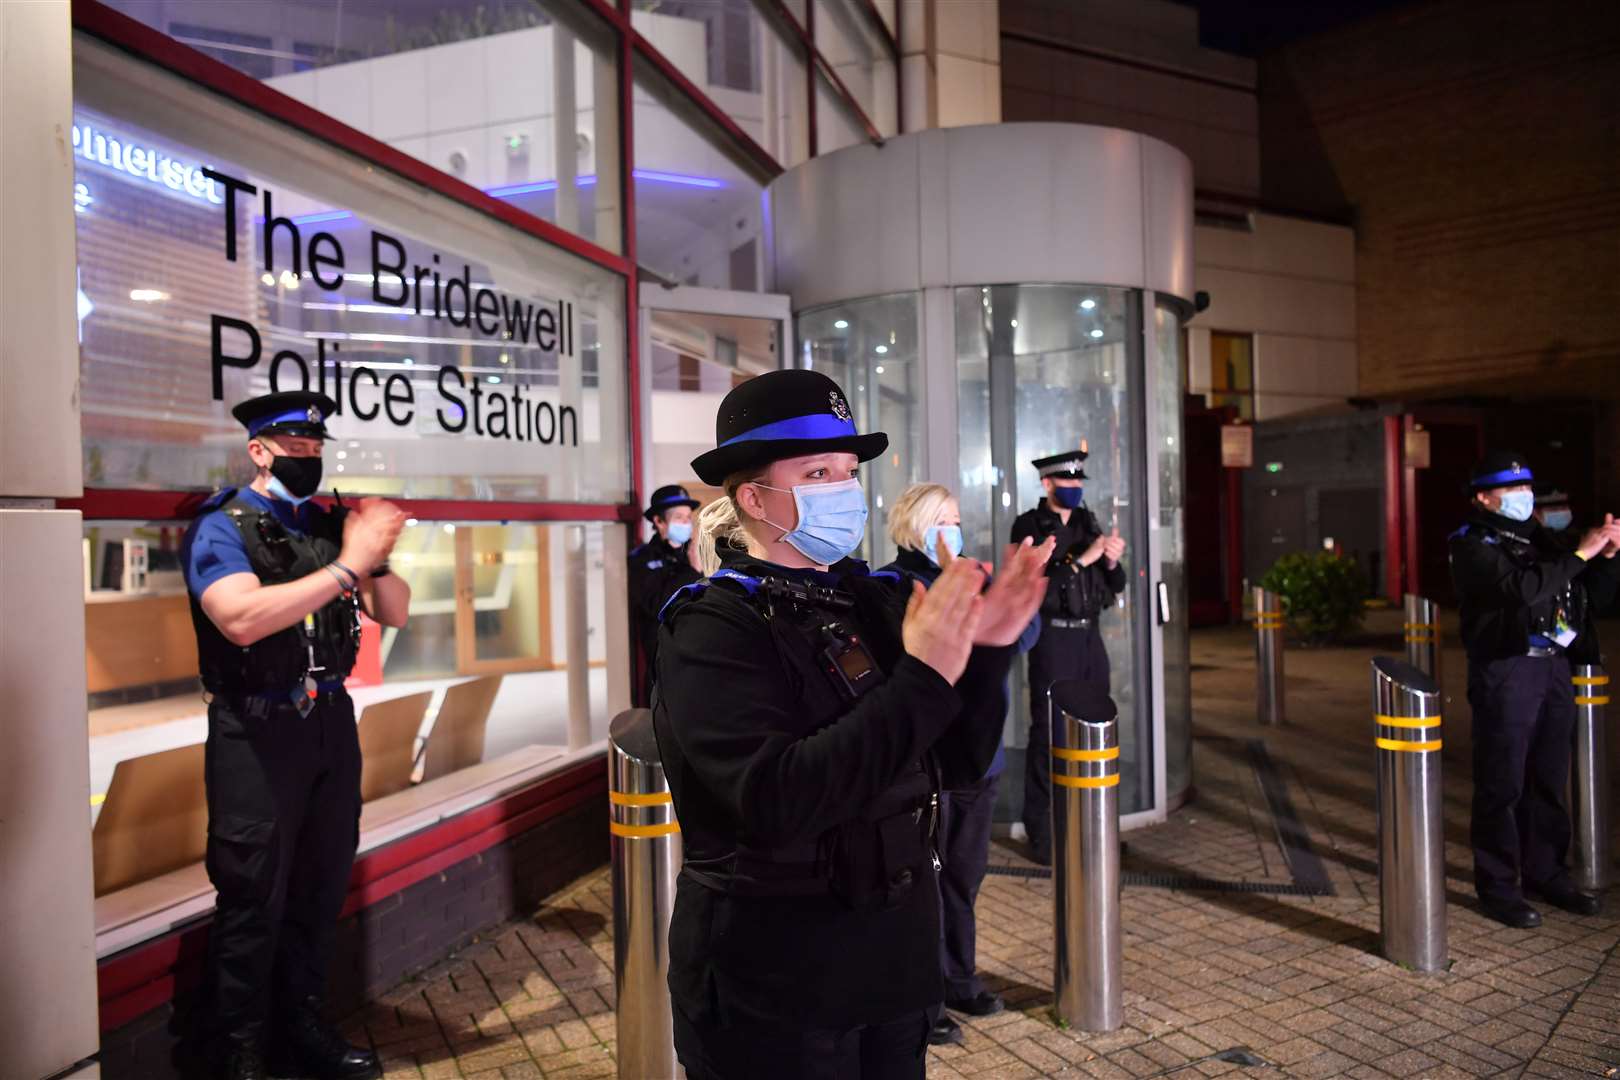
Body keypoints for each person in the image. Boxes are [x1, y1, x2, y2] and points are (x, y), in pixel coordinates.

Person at [652, 369, 1054, 1079]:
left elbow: (954, 763)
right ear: (754, 497)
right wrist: (926, 676)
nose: (844, 488)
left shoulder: (869, 601)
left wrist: (985, 654)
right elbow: (779, 797)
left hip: (891, 968)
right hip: (776, 986)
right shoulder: (712, 626)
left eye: (846, 470)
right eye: (817, 471)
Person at [181, 391, 411, 1079]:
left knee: (319, 883)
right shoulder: (223, 526)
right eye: (296, 447)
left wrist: (371, 553)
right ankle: (239, 1053)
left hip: (329, 725)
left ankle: (300, 1027)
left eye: (317, 447)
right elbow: (241, 618)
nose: (310, 457)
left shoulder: (324, 526)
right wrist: (346, 565)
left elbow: (394, 611)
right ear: (260, 451)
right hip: (256, 729)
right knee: (253, 893)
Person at [878, 483, 1041, 1047]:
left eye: (956, 519)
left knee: (964, 878)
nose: (953, 528)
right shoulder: (896, 584)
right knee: (926, 880)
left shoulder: (972, 575)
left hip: (980, 760)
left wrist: (997, 601)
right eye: (942, 519)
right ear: (915, 525)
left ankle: (959, 977)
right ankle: (924, 995)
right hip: (930, 762)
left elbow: (1021, 632)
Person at [1448, 451, 1620, 928]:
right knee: (1502, 781)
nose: (1524, 497)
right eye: (1512, 491)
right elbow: (1521, 590)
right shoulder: (1472, 543)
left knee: (1548, 776)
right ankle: (1499, 886)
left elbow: (1591, 598)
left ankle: (1547, 873)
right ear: (1485, 498)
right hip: (1507, 669)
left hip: (1554, 667)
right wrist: (1581, 553)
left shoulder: (1544, 540)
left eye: (1527, 489)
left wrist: (1605, 557)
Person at [1009, 449, 1125, 865]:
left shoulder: (1087, 523)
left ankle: (1093, 826)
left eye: (1079, 483)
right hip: (1053, 639)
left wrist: (1111, 561)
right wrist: (1083, 559)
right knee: (1048, 733)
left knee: (1097, 728)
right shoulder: (1029, 525)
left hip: (1090, 639)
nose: (1075, 488)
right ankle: (1041, 832)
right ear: (1047, 484)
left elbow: (1116, 582)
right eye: (1067, 482)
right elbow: (1032, 584)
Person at [628, 484, 703, 706]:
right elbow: (657, 604)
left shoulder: (693, 552)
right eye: (679, 517)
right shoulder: (642, 558)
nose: (686, 523)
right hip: (661, 660)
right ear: (659, 522)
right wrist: (692, 570)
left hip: (697, 652)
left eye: (688, 517)